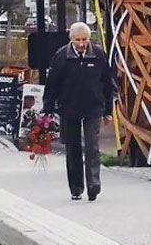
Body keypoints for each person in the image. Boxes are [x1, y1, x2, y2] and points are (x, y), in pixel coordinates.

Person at [43, 22, 114, 201]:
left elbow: (107, 83)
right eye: (78, 40)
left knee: (92, 147)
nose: (82, 44)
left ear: (89, 39)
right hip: (69, 108)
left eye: (84, 40)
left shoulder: (98, 55)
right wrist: (48, 108)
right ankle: (76, 187)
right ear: (71, 39)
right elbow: (52, 85)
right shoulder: (61, 57)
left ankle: (93, 185)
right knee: (73, 148)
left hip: (93, 107)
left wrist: (108, 110)